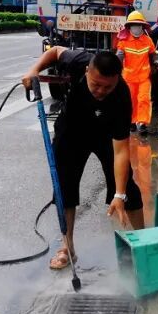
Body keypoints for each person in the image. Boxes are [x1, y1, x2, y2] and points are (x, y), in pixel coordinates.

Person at [21, 45, 145, 270]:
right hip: (72, 132)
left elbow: (121, 151)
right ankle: (67, 247)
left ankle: (145, 243)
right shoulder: (78, 61)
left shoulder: (121, 96)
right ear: (87, 71)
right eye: (96, 84)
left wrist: (119, 195)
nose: (101, 91)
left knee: (128, 188)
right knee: (64, 187)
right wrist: (34, 70)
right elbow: (54, 52)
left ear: (117, 79)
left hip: (106, 136)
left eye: (107, 87)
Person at [115, 10, 158, 134]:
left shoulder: (147, 40)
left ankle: (142, 123)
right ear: (129, 27)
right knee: (131, 100)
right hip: (129, 78)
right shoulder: (123, 41)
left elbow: (153, 53)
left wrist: (156, 62)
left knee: (144, 99)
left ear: (142, 27)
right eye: (134, 25)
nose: (136, 28)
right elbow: (119, 57)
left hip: (144, 77)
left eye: (138, 25)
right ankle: (132, 122)